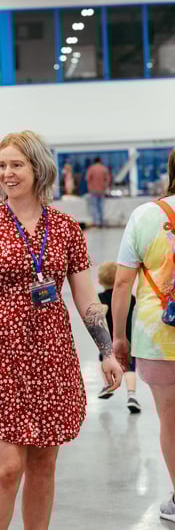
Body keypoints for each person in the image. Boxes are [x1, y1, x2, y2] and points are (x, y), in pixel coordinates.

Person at [0, 130, 123, 530]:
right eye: (2, 166)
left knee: (44, 464)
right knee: (9, 465)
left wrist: (106, 351)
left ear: (38, 168)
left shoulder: (66, 228)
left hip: (52, 358)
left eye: (17, 164)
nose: (8, 173)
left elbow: (86, 298)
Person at [112, 148, 175, 523]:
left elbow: (122, 282)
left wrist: (119, 337)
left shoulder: (146, 215)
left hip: (157, 335)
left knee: (169, 419)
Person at [97, 262, 141, 413]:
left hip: (109, 341)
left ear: (100, 280)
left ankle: (108, 385)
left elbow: (103, 310)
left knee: (105, 363)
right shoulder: (130, 297)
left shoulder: (101, 297)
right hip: (128, 340)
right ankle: (132, 395)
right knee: (129, 368)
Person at [87, 157, 110, 228]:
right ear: (100, 161)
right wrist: (105, 187)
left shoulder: (91, 168)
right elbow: (108, 179)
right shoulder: (104, 168)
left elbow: (87, 179)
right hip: (102, 190)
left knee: (94, 206)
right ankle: (102, 222)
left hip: (93, 191)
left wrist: (90, 187)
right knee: (101, 206)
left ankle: (96, 223)